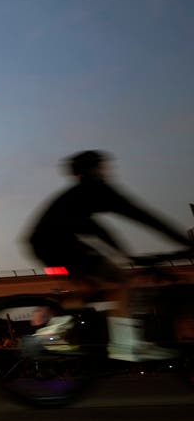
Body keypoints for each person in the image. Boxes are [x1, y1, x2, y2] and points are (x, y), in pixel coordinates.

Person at [25, 150, 192, 361]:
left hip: (48, 244)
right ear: (94, 169)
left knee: (91, 287)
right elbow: (143, 219)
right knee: (120, 279)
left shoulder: (82, 193)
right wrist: (185, 244)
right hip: (56, 243)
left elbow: (123, 223)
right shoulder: (93, 191)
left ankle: (53, 333)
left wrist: (125, 253)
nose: (105, 172)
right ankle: (124, 344)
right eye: (101, 167)